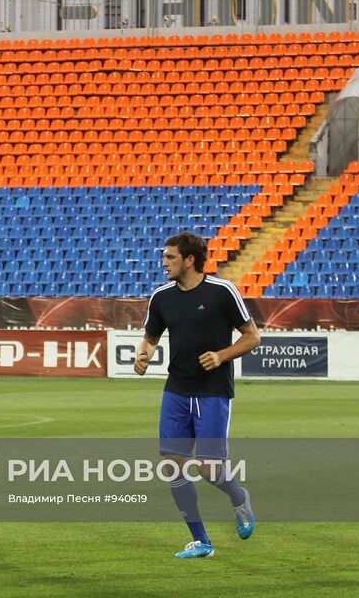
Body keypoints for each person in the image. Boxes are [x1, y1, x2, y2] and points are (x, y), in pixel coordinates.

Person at [134, 231, 260, 559]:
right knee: (173, 466)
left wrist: (221, 355)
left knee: (208, 469)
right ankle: (201, 540)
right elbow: (150, 336)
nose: (164, 263)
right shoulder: (162, 297)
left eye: (170, 257)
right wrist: (143, 354)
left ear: (189, 260)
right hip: (176, 389)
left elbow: (252, 337)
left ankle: (237, 497)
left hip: (212, 391)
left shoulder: (222, 291)